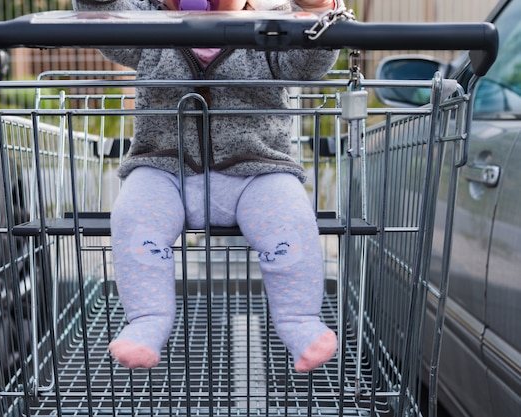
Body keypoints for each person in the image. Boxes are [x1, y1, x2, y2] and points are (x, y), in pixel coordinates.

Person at [73, 0, 341, 372]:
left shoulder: (272, 21)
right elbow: (102, 19)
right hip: (164, 166)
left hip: (257, 169)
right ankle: (147, 321)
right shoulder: (148, 20)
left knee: (290, 221)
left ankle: (300, 321)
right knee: (133, 217)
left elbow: (309, 64)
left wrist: (317, 8)